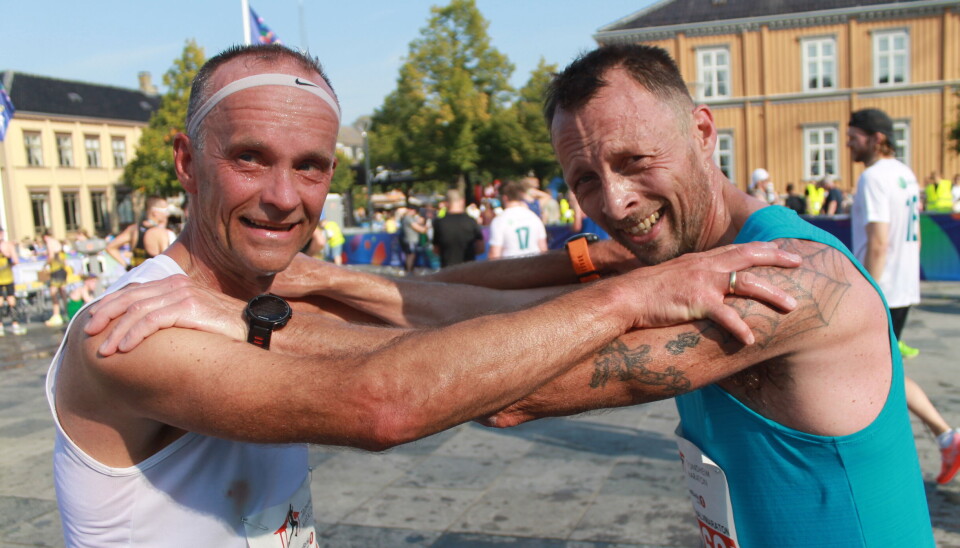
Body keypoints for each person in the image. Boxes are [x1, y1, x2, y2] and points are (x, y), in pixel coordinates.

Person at [96, 44, 933, 546]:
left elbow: (515, 383)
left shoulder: (786, 279)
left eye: (636, 163)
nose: (616, 202)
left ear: (703, 132)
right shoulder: (678, 261)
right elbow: (492, 311)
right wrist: (328, 281)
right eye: (585, 180)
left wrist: (254, 320)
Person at [847, 107, 960, 485]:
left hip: (883, 290)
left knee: (870, 375)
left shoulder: (873, 177)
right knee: (880, 372)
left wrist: (866, 292)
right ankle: (944, 437)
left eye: (854, 137)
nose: (848, 143)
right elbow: (913, 235)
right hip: (902, 288)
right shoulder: (905, 174)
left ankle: (934, 440)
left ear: (876, 138)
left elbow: (878, 242)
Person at [105, 195, 172, 270]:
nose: (167, 214)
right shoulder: (160, 233)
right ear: (155, 212)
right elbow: (166, 261)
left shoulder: (133, 229)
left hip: (136, 274)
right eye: (166, 211)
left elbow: (110, 247)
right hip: (155, 275)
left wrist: (128, 267)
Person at [488, 179, 548, 259]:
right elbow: (543, 249)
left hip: (511, 265)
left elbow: (495, 254)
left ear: (504, 198)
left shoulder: (499, 220)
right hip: (533, 264)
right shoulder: (534, 217)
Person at [432, 188, 484, 267]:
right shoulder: (471, 221)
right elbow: (480, 248)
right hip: (468, 268)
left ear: (446, 203)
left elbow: (436, 250)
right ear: (462, 201)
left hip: (447, 268)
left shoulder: (439, 223)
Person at [0, 226, 26, 335]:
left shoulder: (8, 245)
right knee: (9, 299)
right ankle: (14, 324)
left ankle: (3, 326)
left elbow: (15, 260)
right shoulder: (8, 245)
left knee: (5, 300)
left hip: (6, 277)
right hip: (7, 276)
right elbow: (15, 261)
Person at [42, 230, 70, 327]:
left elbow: (51, 256)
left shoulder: (49, 242)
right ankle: (67, 313)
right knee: (62, 292)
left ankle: (56, 315)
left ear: (45, 237)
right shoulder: (57, 242)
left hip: (56, 269)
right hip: (62, 269)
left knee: (53, 292)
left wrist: (45, 264)